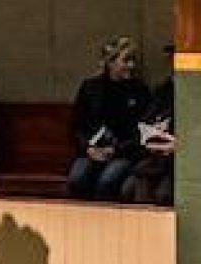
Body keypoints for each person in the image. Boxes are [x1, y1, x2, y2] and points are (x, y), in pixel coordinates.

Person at [66, 36, 158, 201]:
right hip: (92, 150)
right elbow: (77, 125)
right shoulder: (90, 88)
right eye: (126, 60)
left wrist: (116, 150)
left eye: (133, 61)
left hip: (124, 152)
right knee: (76, 179)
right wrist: (88, 148)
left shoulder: (139, 91)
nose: (131, 66)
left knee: (107, 181)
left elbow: (143, 131)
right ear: (111, 63)